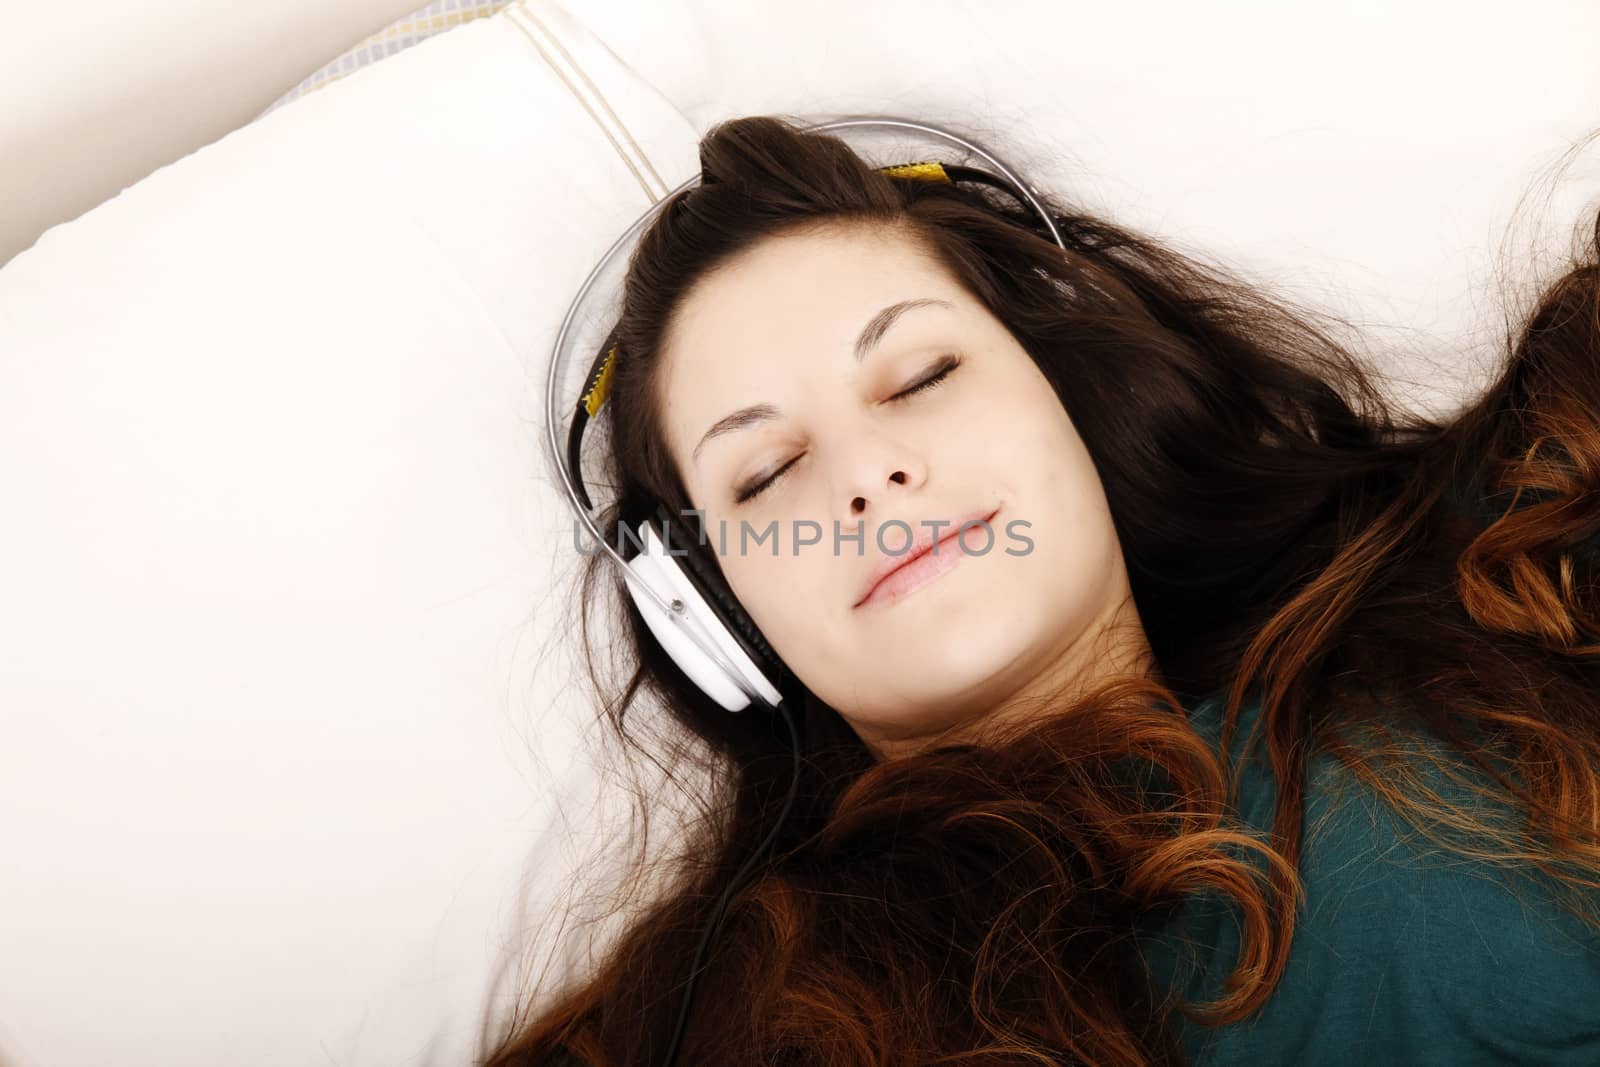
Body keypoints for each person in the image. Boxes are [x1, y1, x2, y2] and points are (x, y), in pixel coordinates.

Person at [476, 114, 1600, 1066]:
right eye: (765, 475)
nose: (866, 475)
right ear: (716, 619)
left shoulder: (1492, 557)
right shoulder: (726, 1017)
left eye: (921, 374)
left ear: (1073, 393)